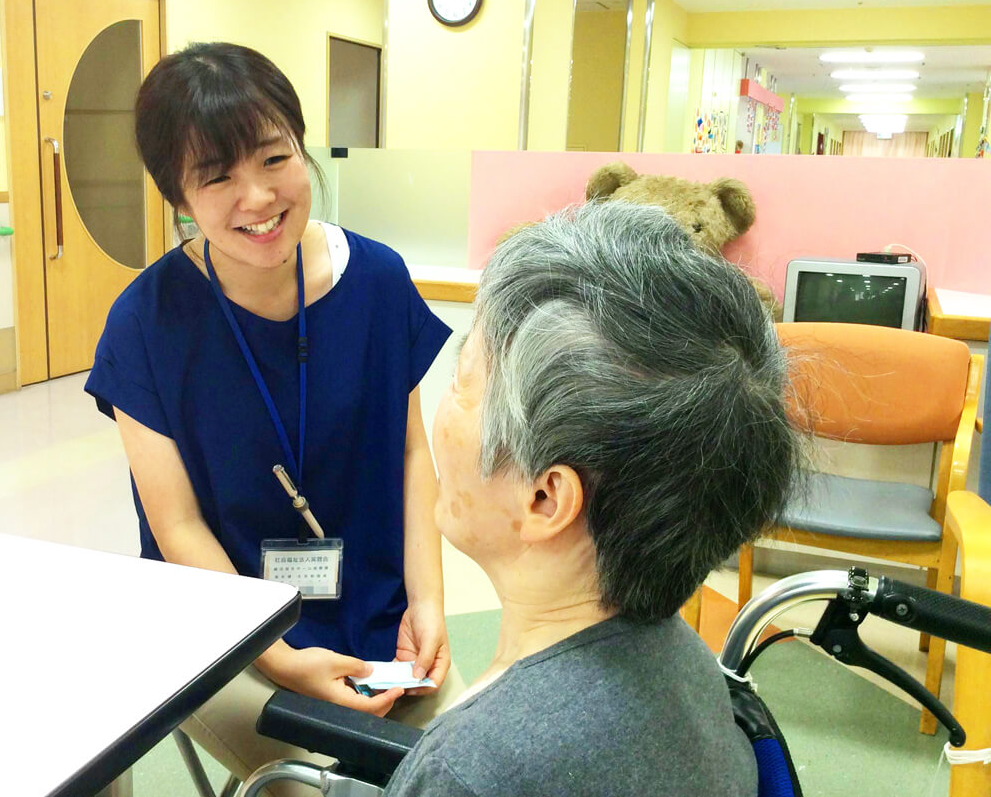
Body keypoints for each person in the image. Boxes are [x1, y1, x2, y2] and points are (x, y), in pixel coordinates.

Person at [84, 42, 461, 791]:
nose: (256, 196)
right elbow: (178, 526)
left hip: (376, 609)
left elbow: (412, 459)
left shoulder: (379, 281)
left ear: (301, 146)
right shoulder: (144, 321)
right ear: (180, 198)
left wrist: (428, 602)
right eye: (217, 175)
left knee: (450, 765)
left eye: (272, 158)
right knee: (309, 783)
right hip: (222, 635)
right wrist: (280, 657)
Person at [384, 200, 799, 797]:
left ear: (546, 499)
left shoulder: (470, 772)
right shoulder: (692, 668)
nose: (442, 411)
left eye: (461, 382)